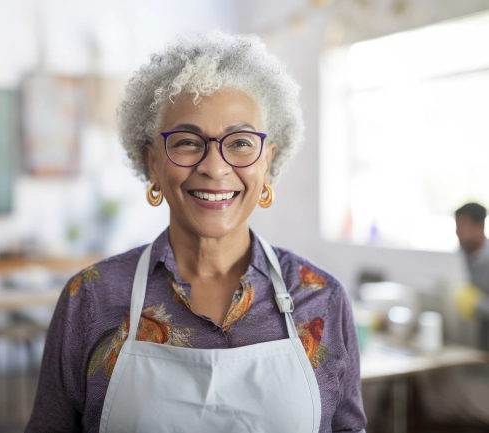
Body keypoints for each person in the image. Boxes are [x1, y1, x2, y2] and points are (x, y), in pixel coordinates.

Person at [25, 31, 366, 433]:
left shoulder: (321, 298)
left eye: (240, 142)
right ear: (153, 162)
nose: (215, 167)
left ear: (268, 163)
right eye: (188, 142)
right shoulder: (90, 298)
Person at [455, 202, 489, 349]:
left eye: (463, 225)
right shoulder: (465, 251)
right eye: (457, 225)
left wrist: (477, 304)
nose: (458, 231)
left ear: (479, 226)